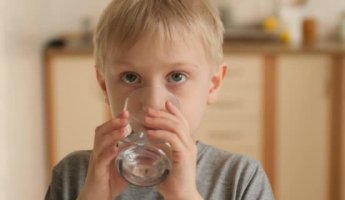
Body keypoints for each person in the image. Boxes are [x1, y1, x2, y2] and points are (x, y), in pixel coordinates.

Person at [45, 0, 274, 199]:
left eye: (176, 76)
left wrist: (185, 196)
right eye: (131, 77)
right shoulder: (73, 176)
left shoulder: (241, 178)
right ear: (104, 85)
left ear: (213, 84)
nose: (153, 103)